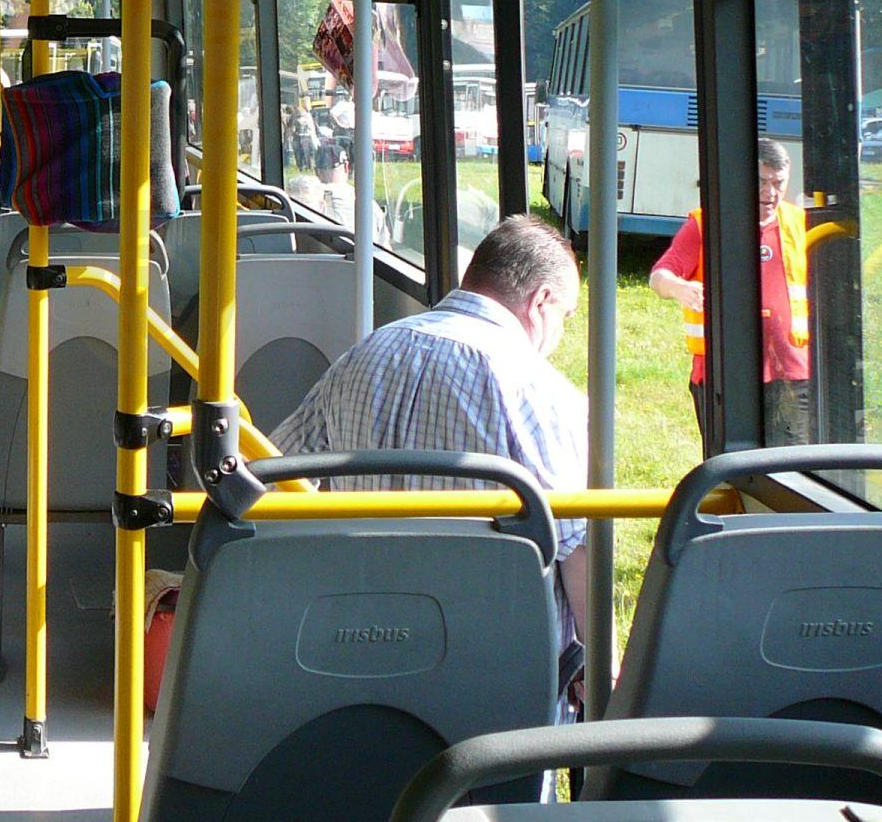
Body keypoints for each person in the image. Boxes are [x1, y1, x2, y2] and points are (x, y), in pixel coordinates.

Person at [271, 215, 590, 689]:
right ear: (541, 301)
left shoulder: (362, 355)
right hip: (495, 669)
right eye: (565, 317)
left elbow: (277, 473)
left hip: (359, 646)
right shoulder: (540, 391)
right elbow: (576, 546)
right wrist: (600, 667)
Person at [649, 137, 810, 446]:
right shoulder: (706, 224)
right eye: (761, 182)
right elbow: (659, 277)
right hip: (723, 374)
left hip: (792, 373)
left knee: (790, 467)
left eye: (778, 183)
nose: (770, 193)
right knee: (730, 463)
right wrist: (679, 287)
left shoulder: (800, 223)